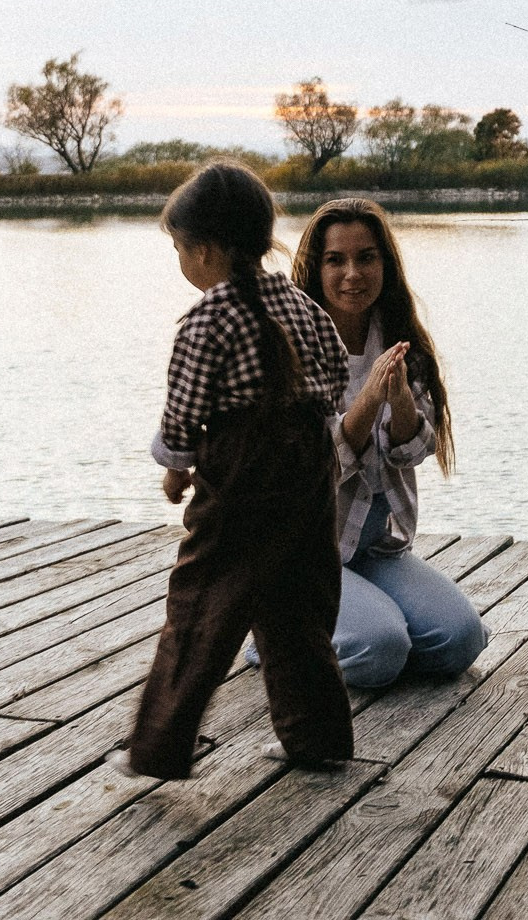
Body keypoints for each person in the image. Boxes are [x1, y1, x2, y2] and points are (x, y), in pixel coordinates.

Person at [113, 161, 353, 779]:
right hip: (309, 469)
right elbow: (334, 385)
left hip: (243, 468)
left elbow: (184, 411)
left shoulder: (208, 319)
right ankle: (317, 737)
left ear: (207, 249)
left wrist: (175, 469)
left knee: (203, 602)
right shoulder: (302, 305)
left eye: (179, 248)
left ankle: (160, 745)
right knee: (299, 606)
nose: (180, 260)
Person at [291, 197, 487, 687]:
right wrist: (369, 396)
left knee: (461, 640)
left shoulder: (400, 341)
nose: (352, 273)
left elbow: (413, 451)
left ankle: (354, 634)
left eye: (367, 257)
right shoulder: (293, 346)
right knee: (380, 650)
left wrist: (398, 398)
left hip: (375, 544)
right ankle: (275, 634)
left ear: (386, 264)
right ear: (315, 268)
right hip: (302, 550)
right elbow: (314, 465)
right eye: (335, 260)